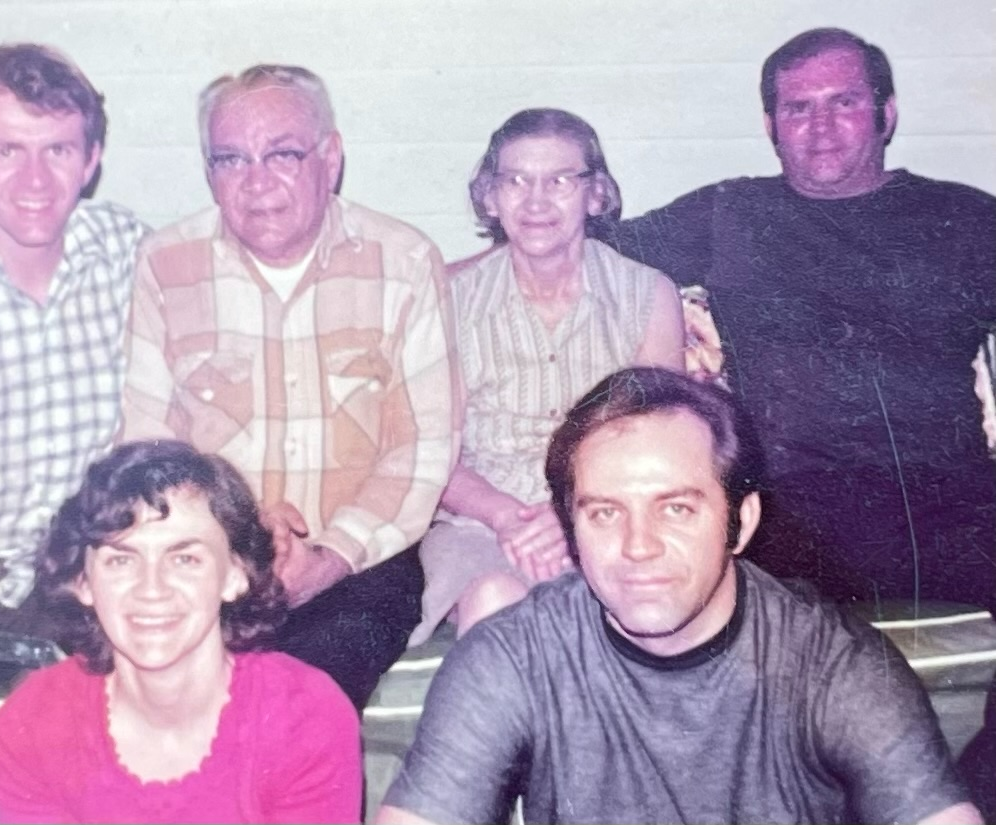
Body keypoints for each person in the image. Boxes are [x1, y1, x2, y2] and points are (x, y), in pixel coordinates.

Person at [377, 367, 981, 825]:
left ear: (740, 523)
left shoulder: (834, 665)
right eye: (605, 512)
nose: (638, 546)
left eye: (676, 508)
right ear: (572, 530)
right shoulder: (513, 656)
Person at [607, 28, 996, 610]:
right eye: (798, 108)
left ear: (885, 115)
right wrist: (435, 269)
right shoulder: (731, 212)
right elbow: (564, 243)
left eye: (844, 102)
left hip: (947, 498)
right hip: (789, 508)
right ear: (771, 127)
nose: (821, 127)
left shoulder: (962, 217)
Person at [120, 64, 458, 708]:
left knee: (299, 714)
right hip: (208, 563)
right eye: (231, 159)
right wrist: (225, 544)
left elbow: (422, 449)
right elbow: (149, 448)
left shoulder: (404, 261)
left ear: (329, 159)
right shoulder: (166, 265)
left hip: (355, 568)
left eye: (282, 154)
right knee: (161, 713)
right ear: (207, 170)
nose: (256, 183)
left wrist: (328, 555)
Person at [409, 109, 684, 646]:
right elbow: (432, 454)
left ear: (596, 194)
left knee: (600, 603)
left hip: (610, 516)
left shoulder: (647, 295)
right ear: (489, 197)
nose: (536, 201)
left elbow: (662, 446)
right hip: (482, 525)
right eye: (515, 181)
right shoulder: (448, 301)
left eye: (560, 180)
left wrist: (573, 516)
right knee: (494, 598)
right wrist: (509, 518)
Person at [0, 440, 361, 823]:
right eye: (121, 559)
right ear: (83, 581)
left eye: (184, 558)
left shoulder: (304, 715)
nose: (152, 588)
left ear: (235, 575)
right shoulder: (35, 720)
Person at [0, 44, 147, 634]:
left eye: (57, 150)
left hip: (83, 583)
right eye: (6, 150)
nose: (35, 179)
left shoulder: (127, 253)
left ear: (91, 160)